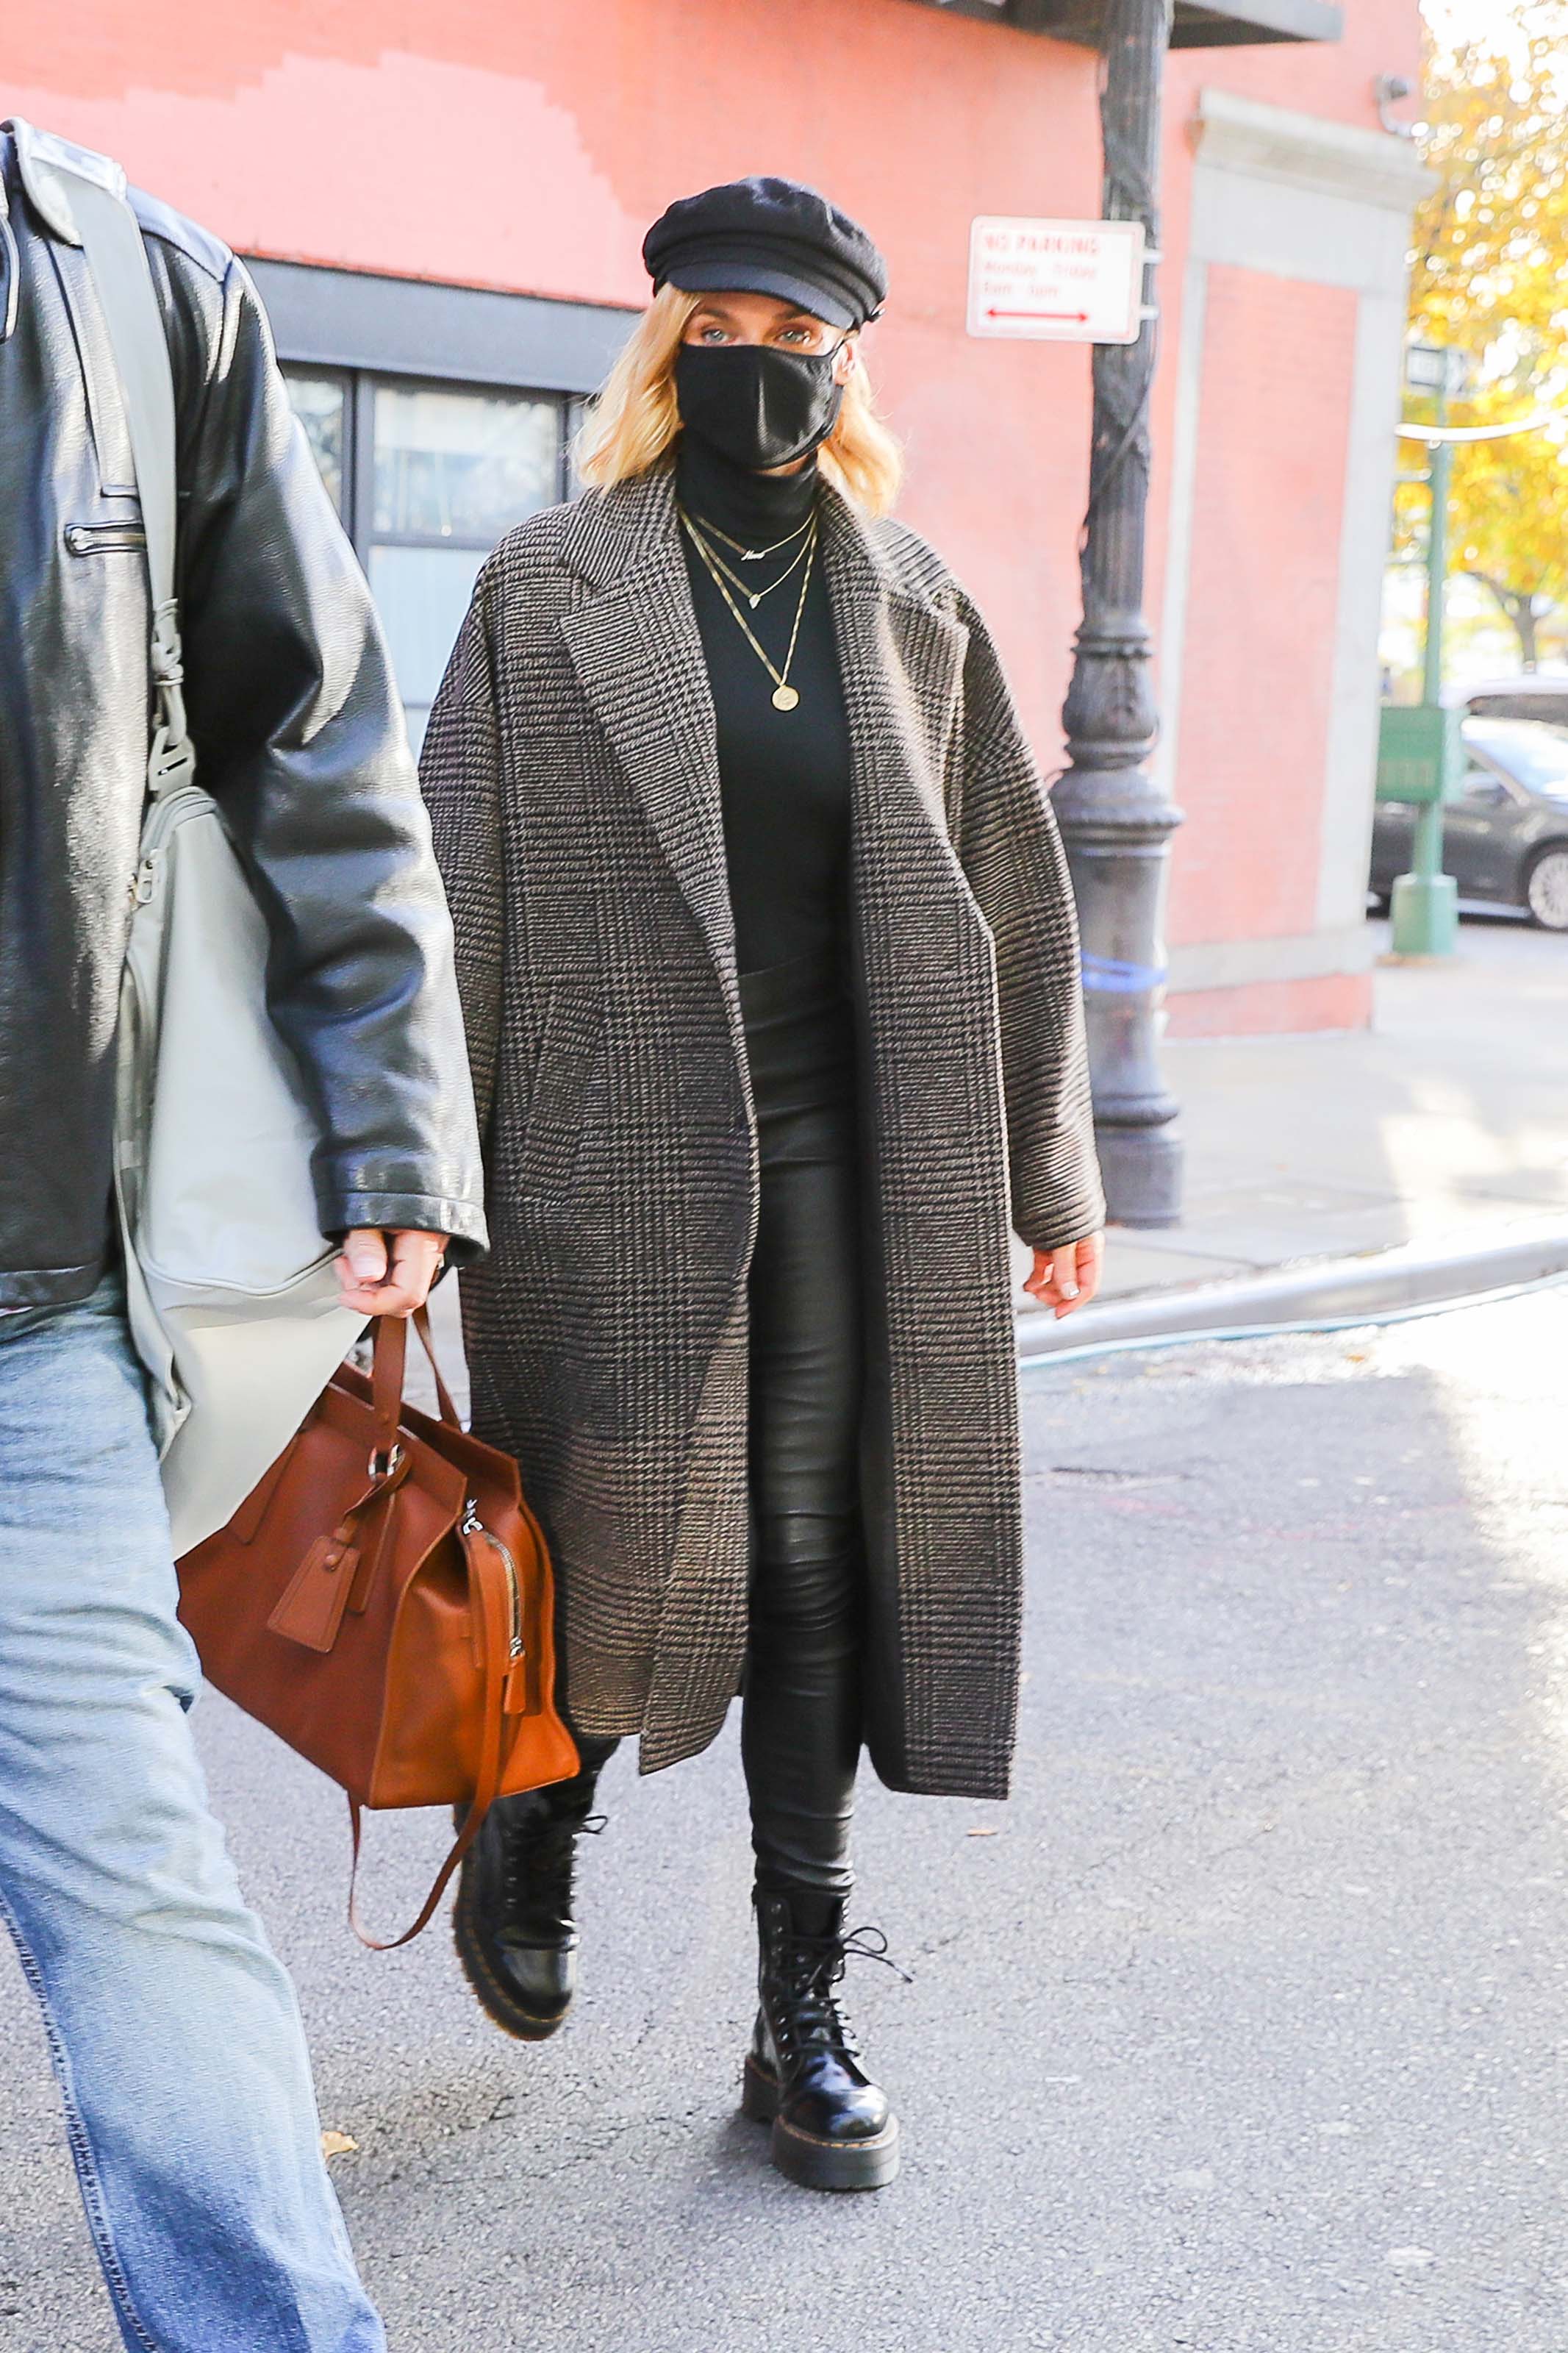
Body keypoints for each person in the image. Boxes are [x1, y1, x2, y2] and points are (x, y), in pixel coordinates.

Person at [422, 176, 1104, 2194]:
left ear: (844, 360)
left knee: (816, 1574)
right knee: (604, 1542)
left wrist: (1049, 1172)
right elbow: (453, 889)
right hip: (597, 1165)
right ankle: (538, 1800)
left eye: (795, 338)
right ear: (665, 345)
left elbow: (1013, 892)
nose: (756, 364)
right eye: (719, 328)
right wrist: (405, 1181)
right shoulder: (547, 583)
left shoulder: (909, 601)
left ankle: (799, 2010)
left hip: (857, 1174)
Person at [0, 121, 487, 2348]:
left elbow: (313, 728)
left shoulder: (128, 276)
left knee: (136, 1889)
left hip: (28, 1288)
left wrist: (392, 1130)